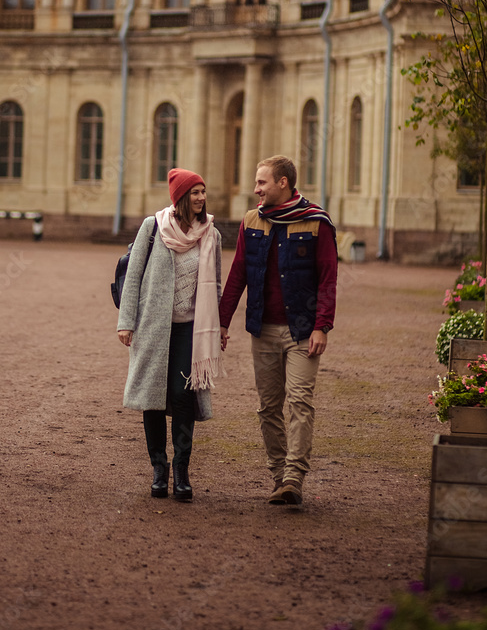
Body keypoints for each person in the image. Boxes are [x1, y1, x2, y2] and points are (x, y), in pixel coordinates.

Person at [219, 154, 338, 507]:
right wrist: (221, 323)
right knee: (268, 407)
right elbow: (238, 273)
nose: (255, 189)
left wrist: (322, 326)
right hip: (263, 329)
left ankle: (293, 477)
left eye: (261, 183)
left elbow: (328, 278)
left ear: (282, 183)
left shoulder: (317, 222)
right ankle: (278, 474)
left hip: (303, 332)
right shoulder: (251, 222)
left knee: (299, 401)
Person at [117, 168, 223, 503]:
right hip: (153, 325)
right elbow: (133, 276)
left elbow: (215, 284)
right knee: (151, 396)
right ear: (180, 197)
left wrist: (218, 327)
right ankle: (159, 470)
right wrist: (126, 321)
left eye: (204, 192)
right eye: (195, 192)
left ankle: (182, 472)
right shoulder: (153, 228)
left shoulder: (211, 235)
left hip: (191, 329)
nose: (201, 198)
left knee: (181, 395)